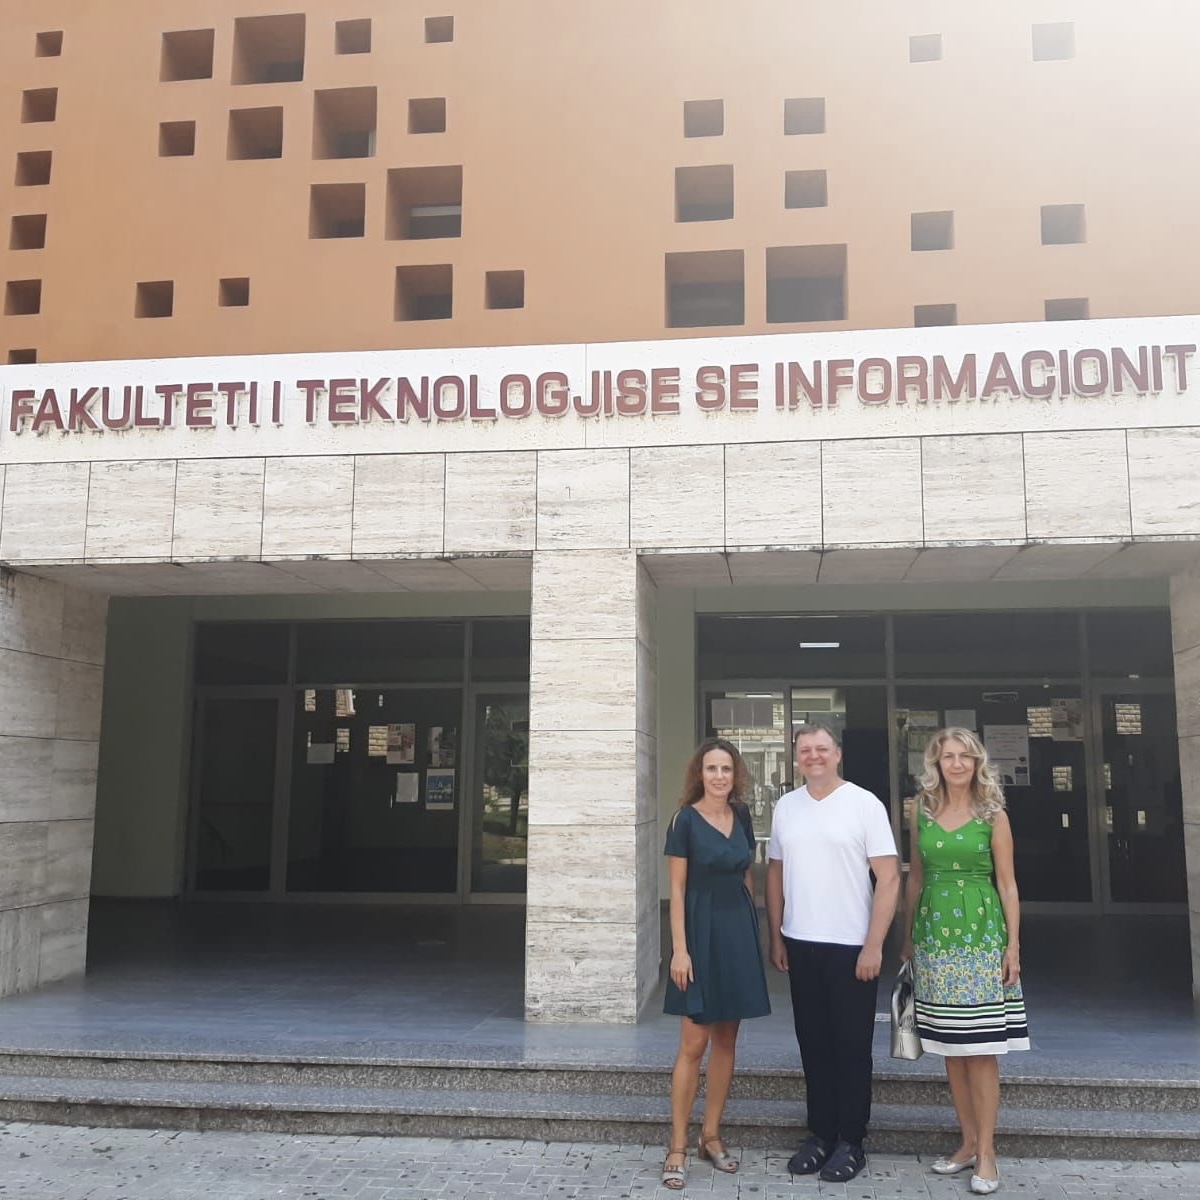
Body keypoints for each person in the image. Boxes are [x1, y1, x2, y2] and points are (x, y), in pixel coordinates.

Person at [766, 722, 900, 1184]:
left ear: (838, 754)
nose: (814, 756)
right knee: (814, 1043)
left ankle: (851, 1139)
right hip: (802, 943)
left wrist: (874, 944)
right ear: (796, 756)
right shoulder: (786, 807)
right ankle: (820, 1133)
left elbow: (889, 878)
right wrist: (776, 935)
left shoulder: (864, 805)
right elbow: (775, 873)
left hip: (851, 947)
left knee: (851, 1046)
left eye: (822, 749)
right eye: (805, 750)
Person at [901, 727, 1029, 1196]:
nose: (956, 764)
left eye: (964, 756)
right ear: (934, 764)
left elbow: (1008, 885)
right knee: (951, 1049)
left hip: (980, 939)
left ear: (977, 762)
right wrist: (908, 937)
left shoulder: (993, 814)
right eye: (947, 757)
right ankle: (967, 1142)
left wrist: (1012, 945)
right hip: (935, 939)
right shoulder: (923, 813)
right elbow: (915, 878)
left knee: (982, 1050)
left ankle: (989, 1151)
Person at [661, 737, 771, 1191]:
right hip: (699, 933)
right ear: (699, 774)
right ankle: (677, 1146)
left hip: (737, 931)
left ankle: (711, 1136)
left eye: (726, 769)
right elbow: (678, 891)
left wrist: (755, 925)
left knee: (727, 1039)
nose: (720, 777)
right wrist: (680, 950)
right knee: (694, 1042)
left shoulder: (741, 814)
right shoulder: (684, 820)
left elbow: (746, 872)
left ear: (735, 774)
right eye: (712, 769)